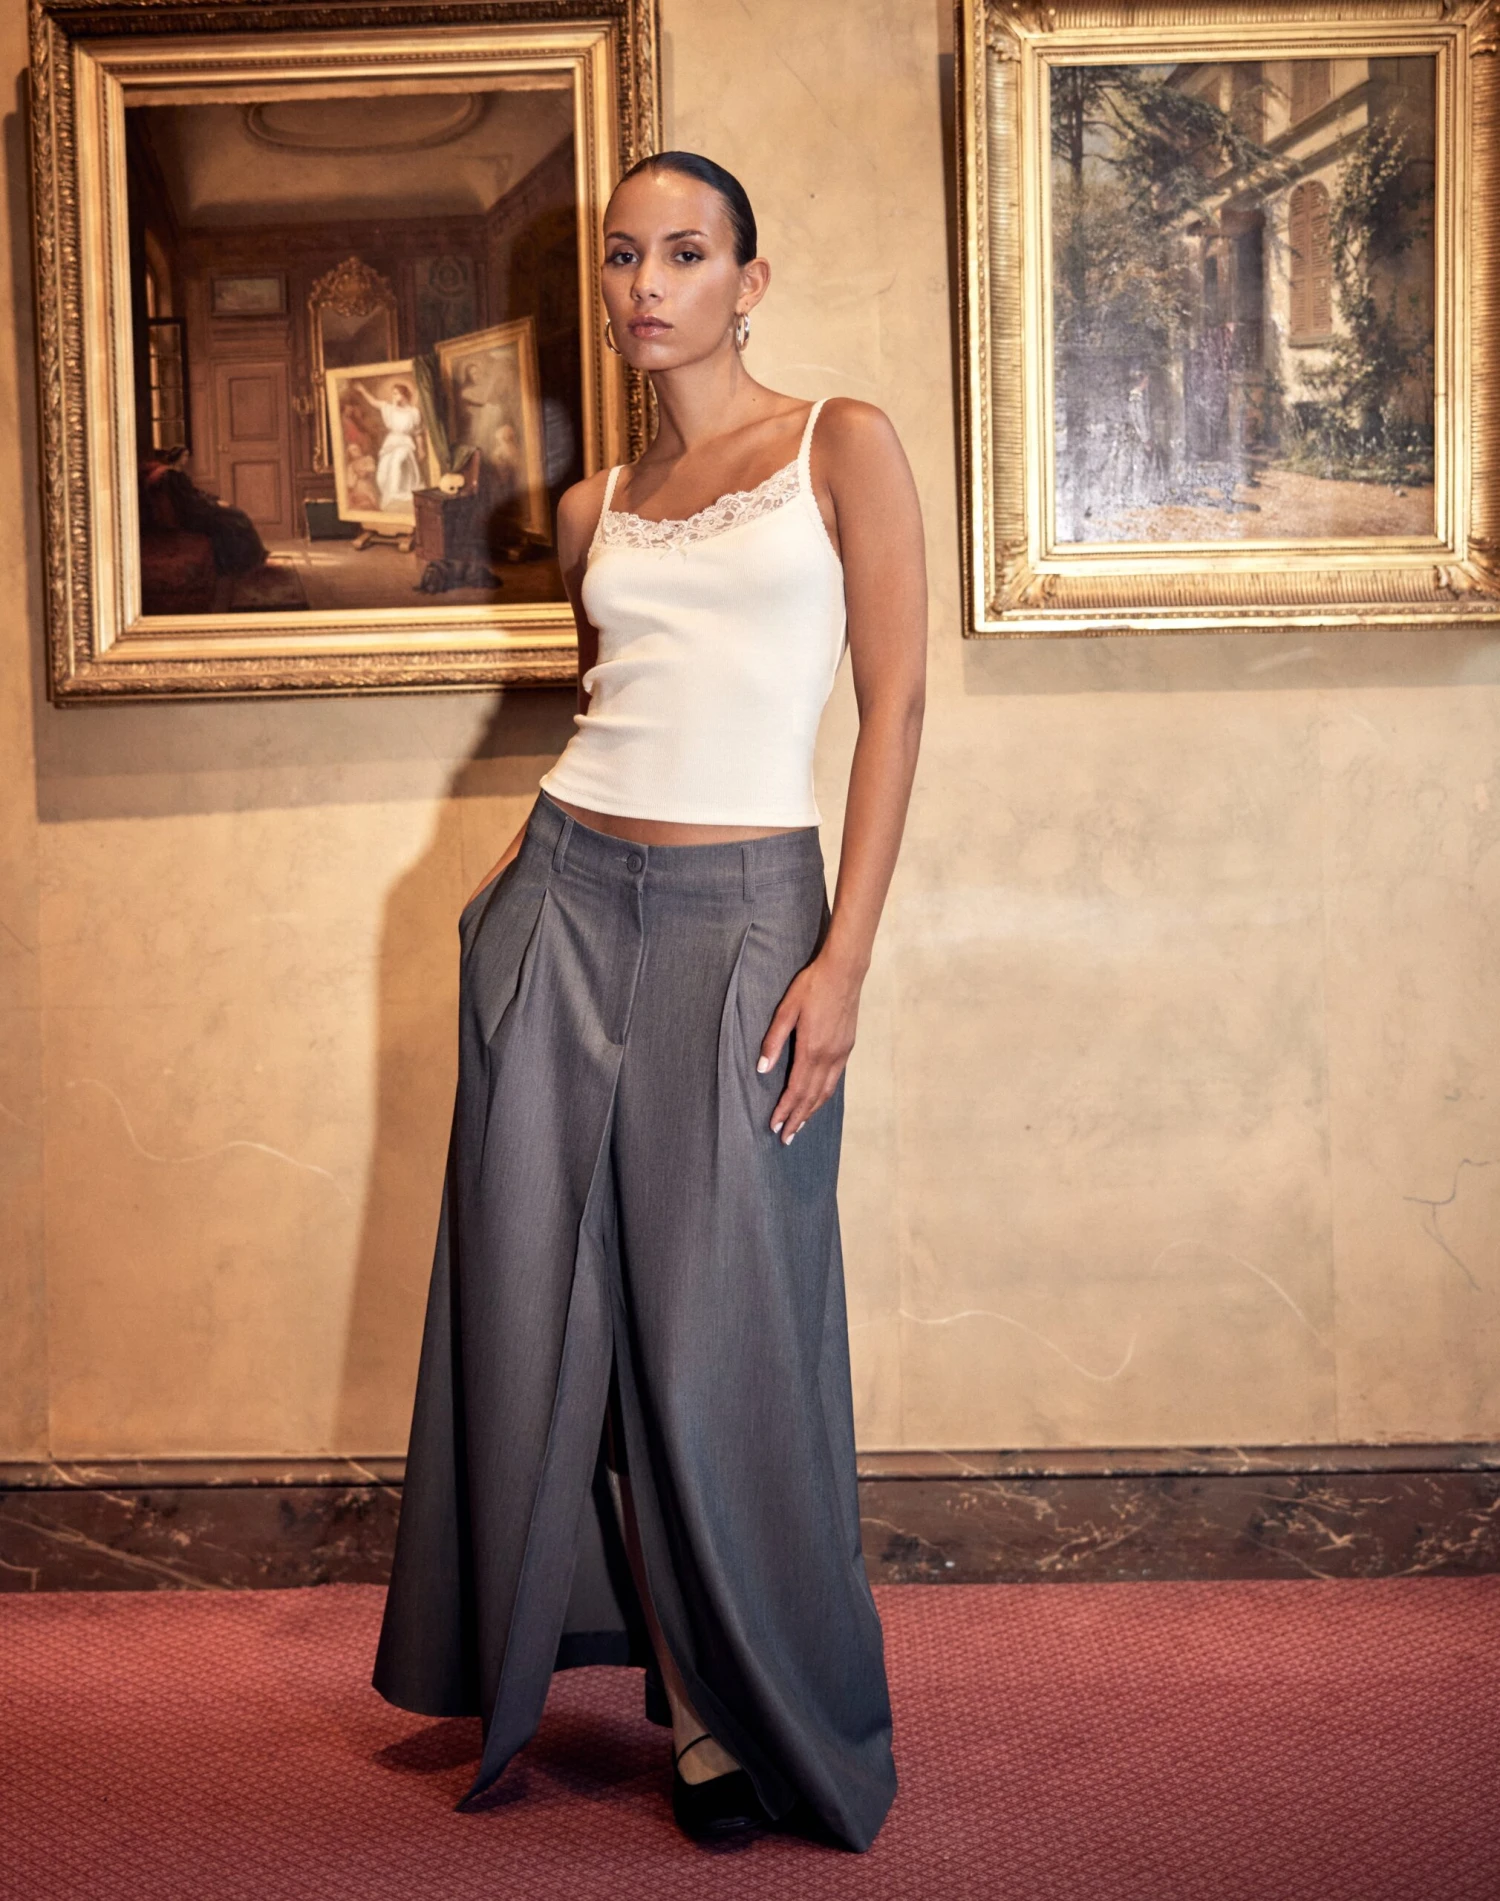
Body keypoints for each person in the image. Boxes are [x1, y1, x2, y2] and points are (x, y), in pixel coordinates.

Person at [373, 150, 927, 1855]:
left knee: (724, 1324)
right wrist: (501, 897)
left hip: (747, 913)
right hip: (559, 902)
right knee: (556, 1310)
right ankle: (691, 1716)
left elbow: (897, 706)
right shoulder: (592, 506)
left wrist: (843, 957)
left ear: (748, 282)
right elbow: (614, 705)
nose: (645, 285)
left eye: (684, 254)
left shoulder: (841, 443)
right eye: (624, 256)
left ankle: (767, 1702)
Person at [352, 378, 423, 511]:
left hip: (405, 442)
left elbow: (418, 432)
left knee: (397, 460)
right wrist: (362, 390)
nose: (393, 396)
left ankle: (395, 493)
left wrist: (421, 449)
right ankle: (390, 493)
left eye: (396, 393)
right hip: (391, 441)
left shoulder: (414, 413)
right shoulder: (389, 408)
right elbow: (373, 402)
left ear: (403, 394)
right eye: (393, 393)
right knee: (383, 470)